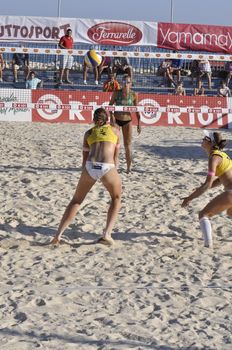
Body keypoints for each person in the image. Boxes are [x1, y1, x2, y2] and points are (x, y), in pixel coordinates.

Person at [51, 108, 122, 246]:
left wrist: (86, 172)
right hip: (107, 166)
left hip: (90, 166)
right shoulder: (115, 131)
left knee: (76, 201)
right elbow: (115, 157)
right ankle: (107, 234)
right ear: (107, 119)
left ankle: (57, 236)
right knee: (116, 197)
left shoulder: (88, 133)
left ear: (94, 119)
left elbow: (84, 159)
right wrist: (114, 173)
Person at [181, 130, 232, 248]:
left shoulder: (214, 157)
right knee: (230, 212)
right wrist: (201, 188)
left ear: (211, 143)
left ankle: (208, 245)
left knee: (203, 214)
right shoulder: (222, 154)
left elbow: (208, 184)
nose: (202, 140)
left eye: (205, 139)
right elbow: (220, 179)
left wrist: (190, 198)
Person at [109, 75, 141, 173]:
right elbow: (110, 106)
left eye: (128, 82)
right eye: (124, 81)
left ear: (131, 83)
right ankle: (114, 167)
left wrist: (139, 124)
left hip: (128, 120)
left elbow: (137, 110)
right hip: (117, 120)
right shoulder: (116, 92)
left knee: (128, 145)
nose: (125, 84)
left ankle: (128, 168)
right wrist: (112, 118)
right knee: (115, 144)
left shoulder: (134, 94)